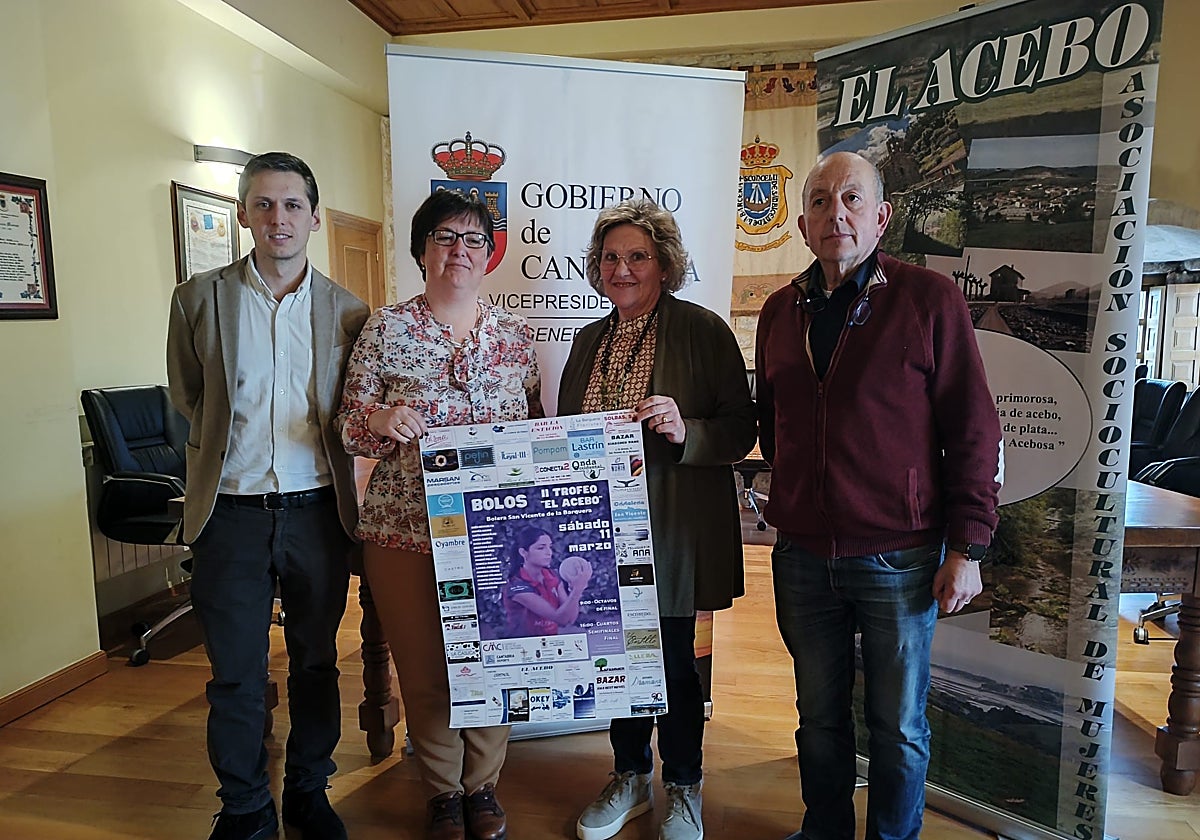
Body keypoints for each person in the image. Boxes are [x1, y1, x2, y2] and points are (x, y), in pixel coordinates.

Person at [754, 150, 1003, 840]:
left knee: (897, 728)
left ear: (882, 216)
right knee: (819, 718)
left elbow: (975, 430)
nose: (837, 212)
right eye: (820, 200)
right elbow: (774, 425)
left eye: (853, 198)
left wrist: (969, 546)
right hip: (803, 556)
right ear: (802, 224)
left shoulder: (929, 300)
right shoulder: (779, 311)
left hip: (900, 556)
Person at [166, 151, 370, 840]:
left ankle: (309, 791)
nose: (277, 218)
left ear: (314, 217)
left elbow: (350, 408)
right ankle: (245, 806)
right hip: (230, 514)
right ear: (246, 214)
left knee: (315, 662)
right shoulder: (199, 299)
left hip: (317, 511)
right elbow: (190, 397)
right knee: (235, 674)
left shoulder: (348, 311)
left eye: (291, 205)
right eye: (264, 204)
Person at [336, 189, 543, 840]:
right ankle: (442, 792)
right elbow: (348, 425)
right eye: (445, 237)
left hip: (496, 533)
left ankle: (482, 786)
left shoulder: (514, 338)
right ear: (422, 249)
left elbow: (532, 425)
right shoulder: (386, 328)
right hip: (403, 530)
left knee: (490, 663)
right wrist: (379, 418)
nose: (459, 250)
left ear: (489, 254)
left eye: (473, 239)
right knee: (424, 667)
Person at [560, 199, 757, 840]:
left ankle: (683, 786)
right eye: (611, 257)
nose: (622, 268)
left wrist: (685, 429)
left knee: (674, 663)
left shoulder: (702, 331)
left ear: (665, 264)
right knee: (616, 663)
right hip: (597, 534)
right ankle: (628, 776)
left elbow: (741, 429)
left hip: (673, 534)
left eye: (637, 256)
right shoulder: (589, 339)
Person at [502, 526, 593, 638]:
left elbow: (570, 619)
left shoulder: (552, 575)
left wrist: (574, 588)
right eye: (541, 548)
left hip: (550, 642)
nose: (549, 552)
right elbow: (561, 619)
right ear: (523, 552)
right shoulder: (517, 586)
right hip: (523, 645)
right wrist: (578, 590)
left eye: (550, 547)